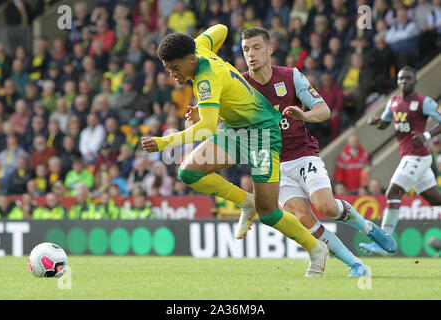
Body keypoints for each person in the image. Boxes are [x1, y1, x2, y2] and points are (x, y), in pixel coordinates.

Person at [141, 24, 329, 277]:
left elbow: (206, 128)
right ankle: (246, 202)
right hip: (234, 131)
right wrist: (198, 43)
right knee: (188, 172)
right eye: (168, 69)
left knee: (270, 212)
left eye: (176, 67)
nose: (173, 74)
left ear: (191, 59)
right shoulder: (199, 47)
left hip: (262, 133)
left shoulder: (205, 79)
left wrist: (163, 143)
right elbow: (221, 28)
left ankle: (316, 249)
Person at [235, 27, 398, 277]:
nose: (251, 54)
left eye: (257, 47)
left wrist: (304, 115)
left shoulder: (290, 76)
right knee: (304, 217)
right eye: (246, 49)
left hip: (303, 154)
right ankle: (356, 264)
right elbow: (226, 119)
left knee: (326, 206)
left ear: (270, 49)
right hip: (274, 164)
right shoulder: (241, 85)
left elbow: (324, 110)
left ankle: (369, 229)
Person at [362, 66, 441, 255]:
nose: (403, 81)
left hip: (418, 156)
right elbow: (385, 124)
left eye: (407, 78)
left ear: (415, 81)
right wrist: (377, 123)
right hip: (409, 156)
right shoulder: (394, 102)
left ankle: (383, 242)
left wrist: (427, 134)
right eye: (400, 78)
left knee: (392, 192)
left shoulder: (424, 102)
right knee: (436, 200)